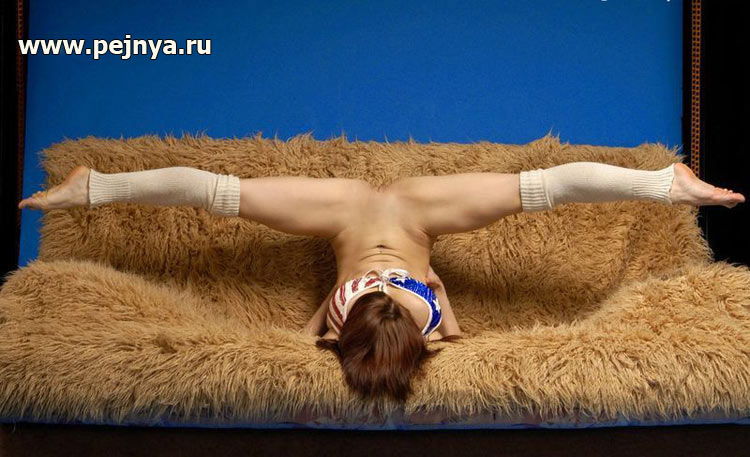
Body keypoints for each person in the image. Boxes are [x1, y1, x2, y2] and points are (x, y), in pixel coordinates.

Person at [18, 160, 744, 401]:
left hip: (401, 216)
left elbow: (444, 312)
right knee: (544, 187)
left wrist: (444, 324)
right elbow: (315, 328)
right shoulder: (343, 318)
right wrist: (315, 333)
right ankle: (664, 181)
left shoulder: (419, 319)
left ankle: (93, 186)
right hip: (366, 214)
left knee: (218, 193)